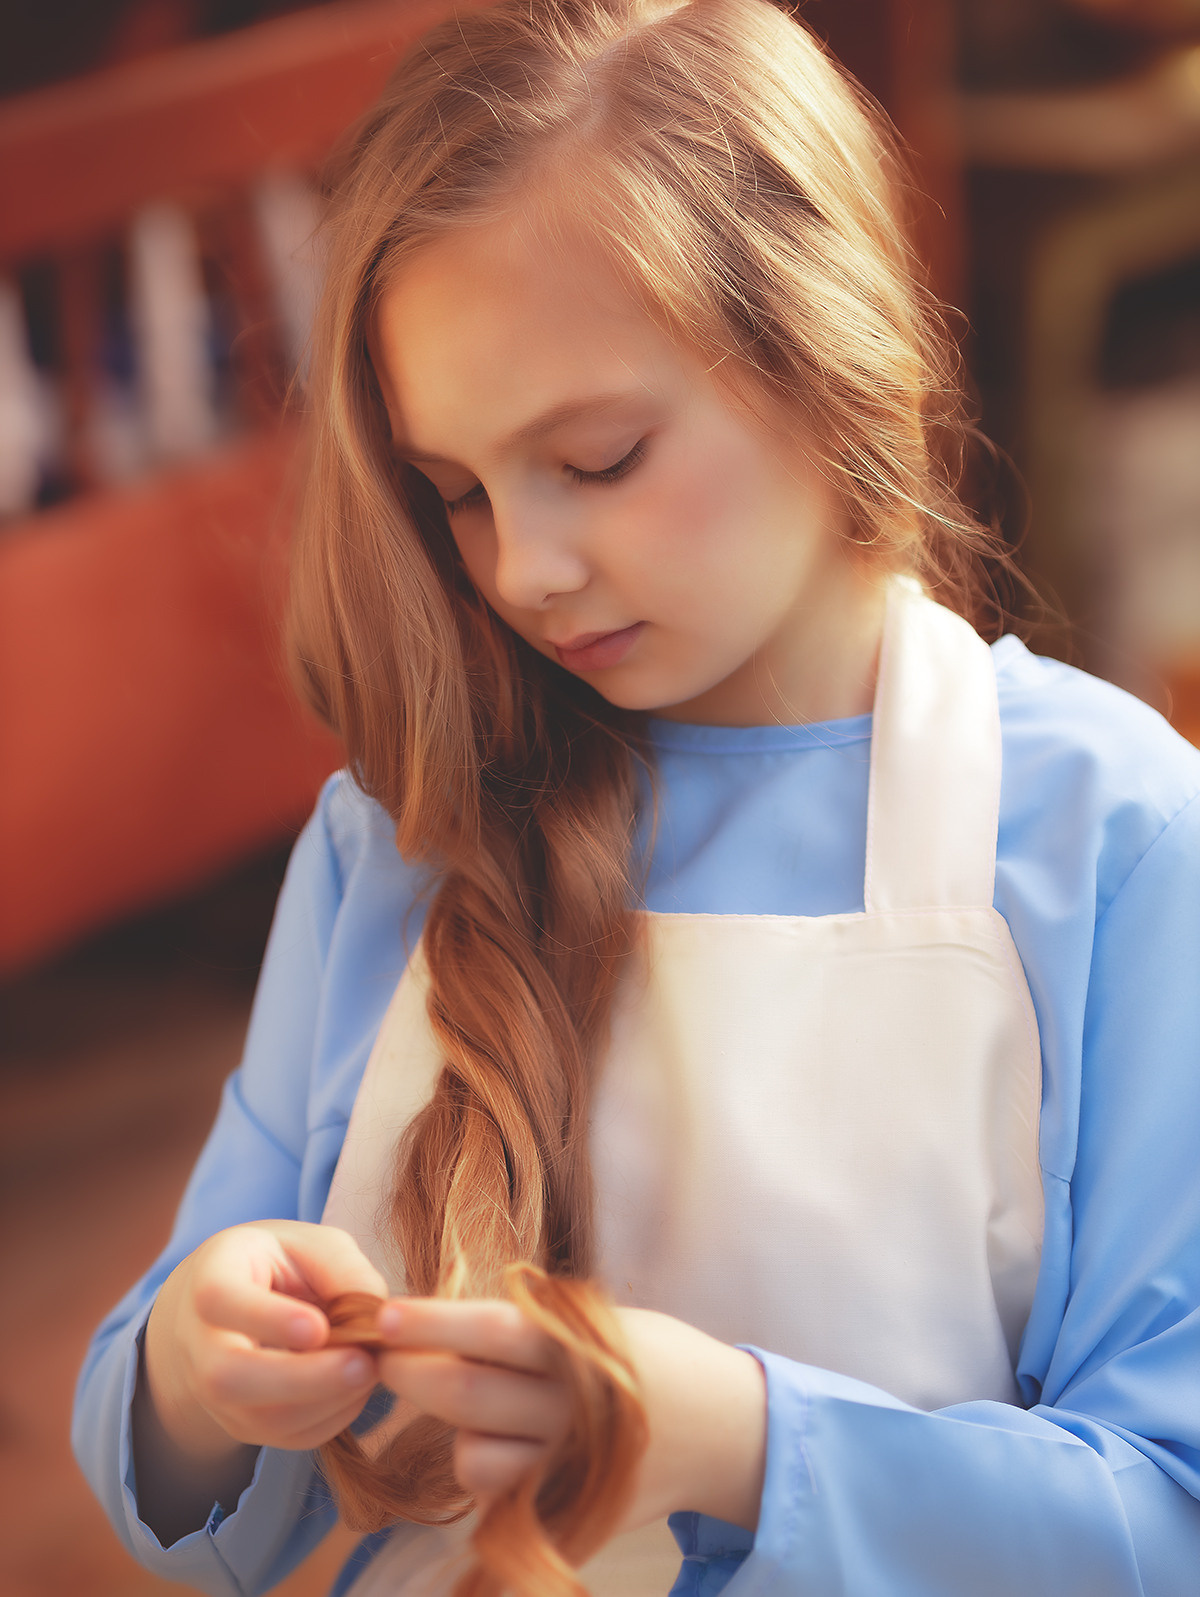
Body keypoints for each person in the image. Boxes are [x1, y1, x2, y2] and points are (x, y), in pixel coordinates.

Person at [72, 0, 1200, 1592]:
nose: (523, 569)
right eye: (455, 491)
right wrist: (196, 1371)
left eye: (597, 459)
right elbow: (196, 1508)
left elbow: (1161, 1521)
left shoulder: (1115, 837)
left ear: (825, 346)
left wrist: (730, 1435)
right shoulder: (394, 838)